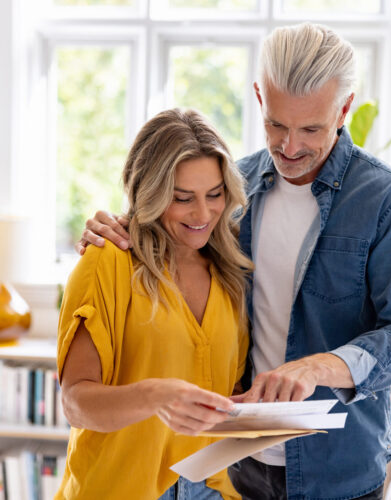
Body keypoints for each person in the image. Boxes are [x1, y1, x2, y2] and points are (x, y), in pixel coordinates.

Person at [78, 23, 391, 500]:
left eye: (311, 128)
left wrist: (318, 368)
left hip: (341, 469)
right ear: (259, 97)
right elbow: (173, 226)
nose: (289, 147)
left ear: (345, 108)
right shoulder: (232, 189)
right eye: (276, 124)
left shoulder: (388, 201)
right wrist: (116, 226)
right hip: (236, 468)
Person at [57, 108, 253, 500]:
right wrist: (157, 396)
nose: (203, 213)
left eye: (215, 195)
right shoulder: (108, 260)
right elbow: (76, 402)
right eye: (183, 199)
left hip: (211, 487)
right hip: (120, 489)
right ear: (151, 193)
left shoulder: (230, 275)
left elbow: (220, 396)